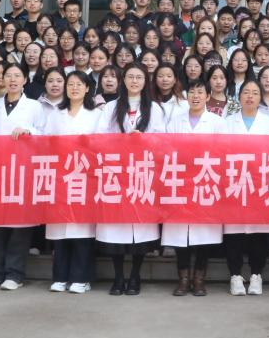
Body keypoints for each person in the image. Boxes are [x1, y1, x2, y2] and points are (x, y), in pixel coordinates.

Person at [95, 64, 165, 296]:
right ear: (123, 80)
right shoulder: (111, 107)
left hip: (142, 173)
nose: (135, 81)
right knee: (116, 228)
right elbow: (100, 137)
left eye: (139, 77)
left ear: (146, 81)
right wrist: (122, 141)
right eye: (130, 77)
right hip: (116, 173)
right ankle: (118, 277)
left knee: (140, 228)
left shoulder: (154, 108)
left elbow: (161, 139)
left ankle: (135, 276)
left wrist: (143, 139)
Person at [0, 63, 45, 290]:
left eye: (17, 75)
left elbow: (43, 134)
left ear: (25, 80)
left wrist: (29, 132)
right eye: (7, 75)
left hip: (22, 170)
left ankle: (14, 274)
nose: (12, 79)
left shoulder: (34, 106)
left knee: (20, 224)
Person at [163, 78, 226, 297]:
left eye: (200, 92)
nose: (195, 96)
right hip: (180, 181)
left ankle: (199, 279)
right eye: (192, 92)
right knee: (180, 233)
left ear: (208, 96)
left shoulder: (217, 122)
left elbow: (223, 152)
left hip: (206, 181)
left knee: (203, 233)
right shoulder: (175, 121)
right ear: (186, 96)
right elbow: (167, 149)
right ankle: (183, 279)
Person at [44, 71, 104, 294]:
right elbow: (45, 141)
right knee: (60, 231)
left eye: (79, 84)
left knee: (82, 231)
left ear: (87, 88)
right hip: (60, 178)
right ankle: (60, 277)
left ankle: (81, 278)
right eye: (71, 84)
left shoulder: (96, 114)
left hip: (85, 177)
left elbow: (101, 143)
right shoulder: (56, 114)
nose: (75, 88)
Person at [223, 80, 269, 295]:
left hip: (259, 181)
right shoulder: (228, 122)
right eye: (246, 92)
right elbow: (222, 150)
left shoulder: (268, 122)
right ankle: (235, 275)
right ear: (239, 96)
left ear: (260, 98)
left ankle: (256, 275)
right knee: (234, 232)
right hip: (234, 181)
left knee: (258, 232)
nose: (250, 96)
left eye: (255, 93)